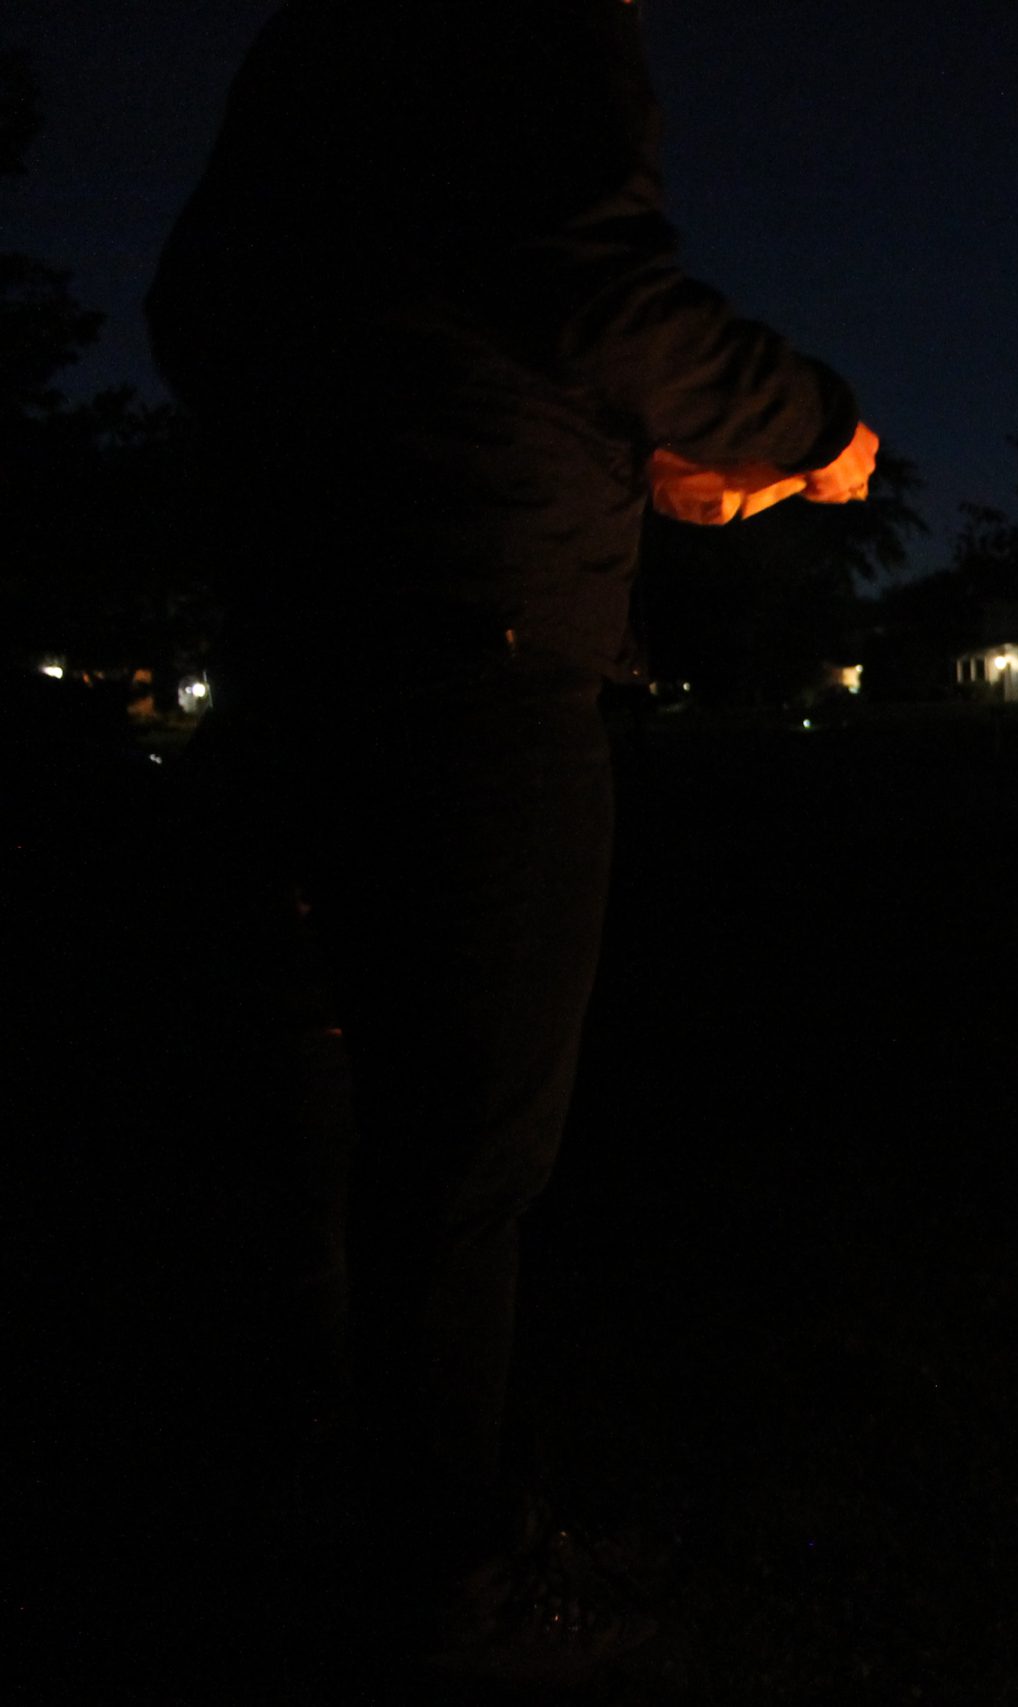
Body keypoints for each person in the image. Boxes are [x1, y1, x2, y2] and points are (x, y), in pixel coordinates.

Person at [146, 0, 877, 1678]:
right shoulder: (536, 32)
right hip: (477, 665)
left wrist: (521, 437)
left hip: (297, 641)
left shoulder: (318, 54)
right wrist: (814, 425)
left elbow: (201, 310)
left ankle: (303, 1488)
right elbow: (608, 302)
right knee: (460, 1156)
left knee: (323, 1111)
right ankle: (443, 1572)